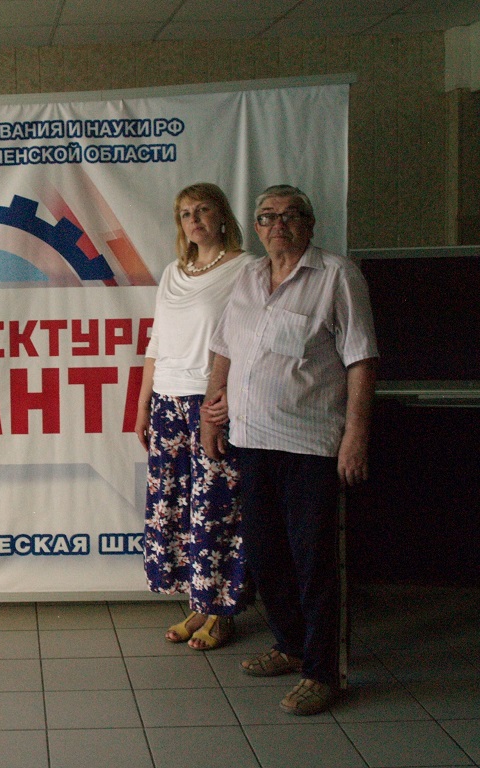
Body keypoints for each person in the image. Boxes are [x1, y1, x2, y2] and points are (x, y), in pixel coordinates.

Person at [201, 184, 378, 715]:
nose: (278, 224)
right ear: (256, 227)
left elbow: (361, 360)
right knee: (265, 555)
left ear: (310, 223)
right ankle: (290, 645)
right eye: (267, 216)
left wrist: (356, 435)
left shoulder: (337, 276)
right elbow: (225, 347)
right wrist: (212, 409)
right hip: (250, 441)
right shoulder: (250, 276)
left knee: (314, 563)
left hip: (310, 447)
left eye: (290, 215)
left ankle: (323, 673)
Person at [137, 183, 252, 650]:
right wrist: (143, 405)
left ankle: (222, 612)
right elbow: (156, 342)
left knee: (216, 510)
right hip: (166, 400)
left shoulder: (246, 268)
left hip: (210, 402)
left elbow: (245, 339)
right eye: (186, 213)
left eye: (203, 210)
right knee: (178, 508)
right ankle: (199, 604)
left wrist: (221, 399)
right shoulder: (173, 272)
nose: (194, 219)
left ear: (222, 216)